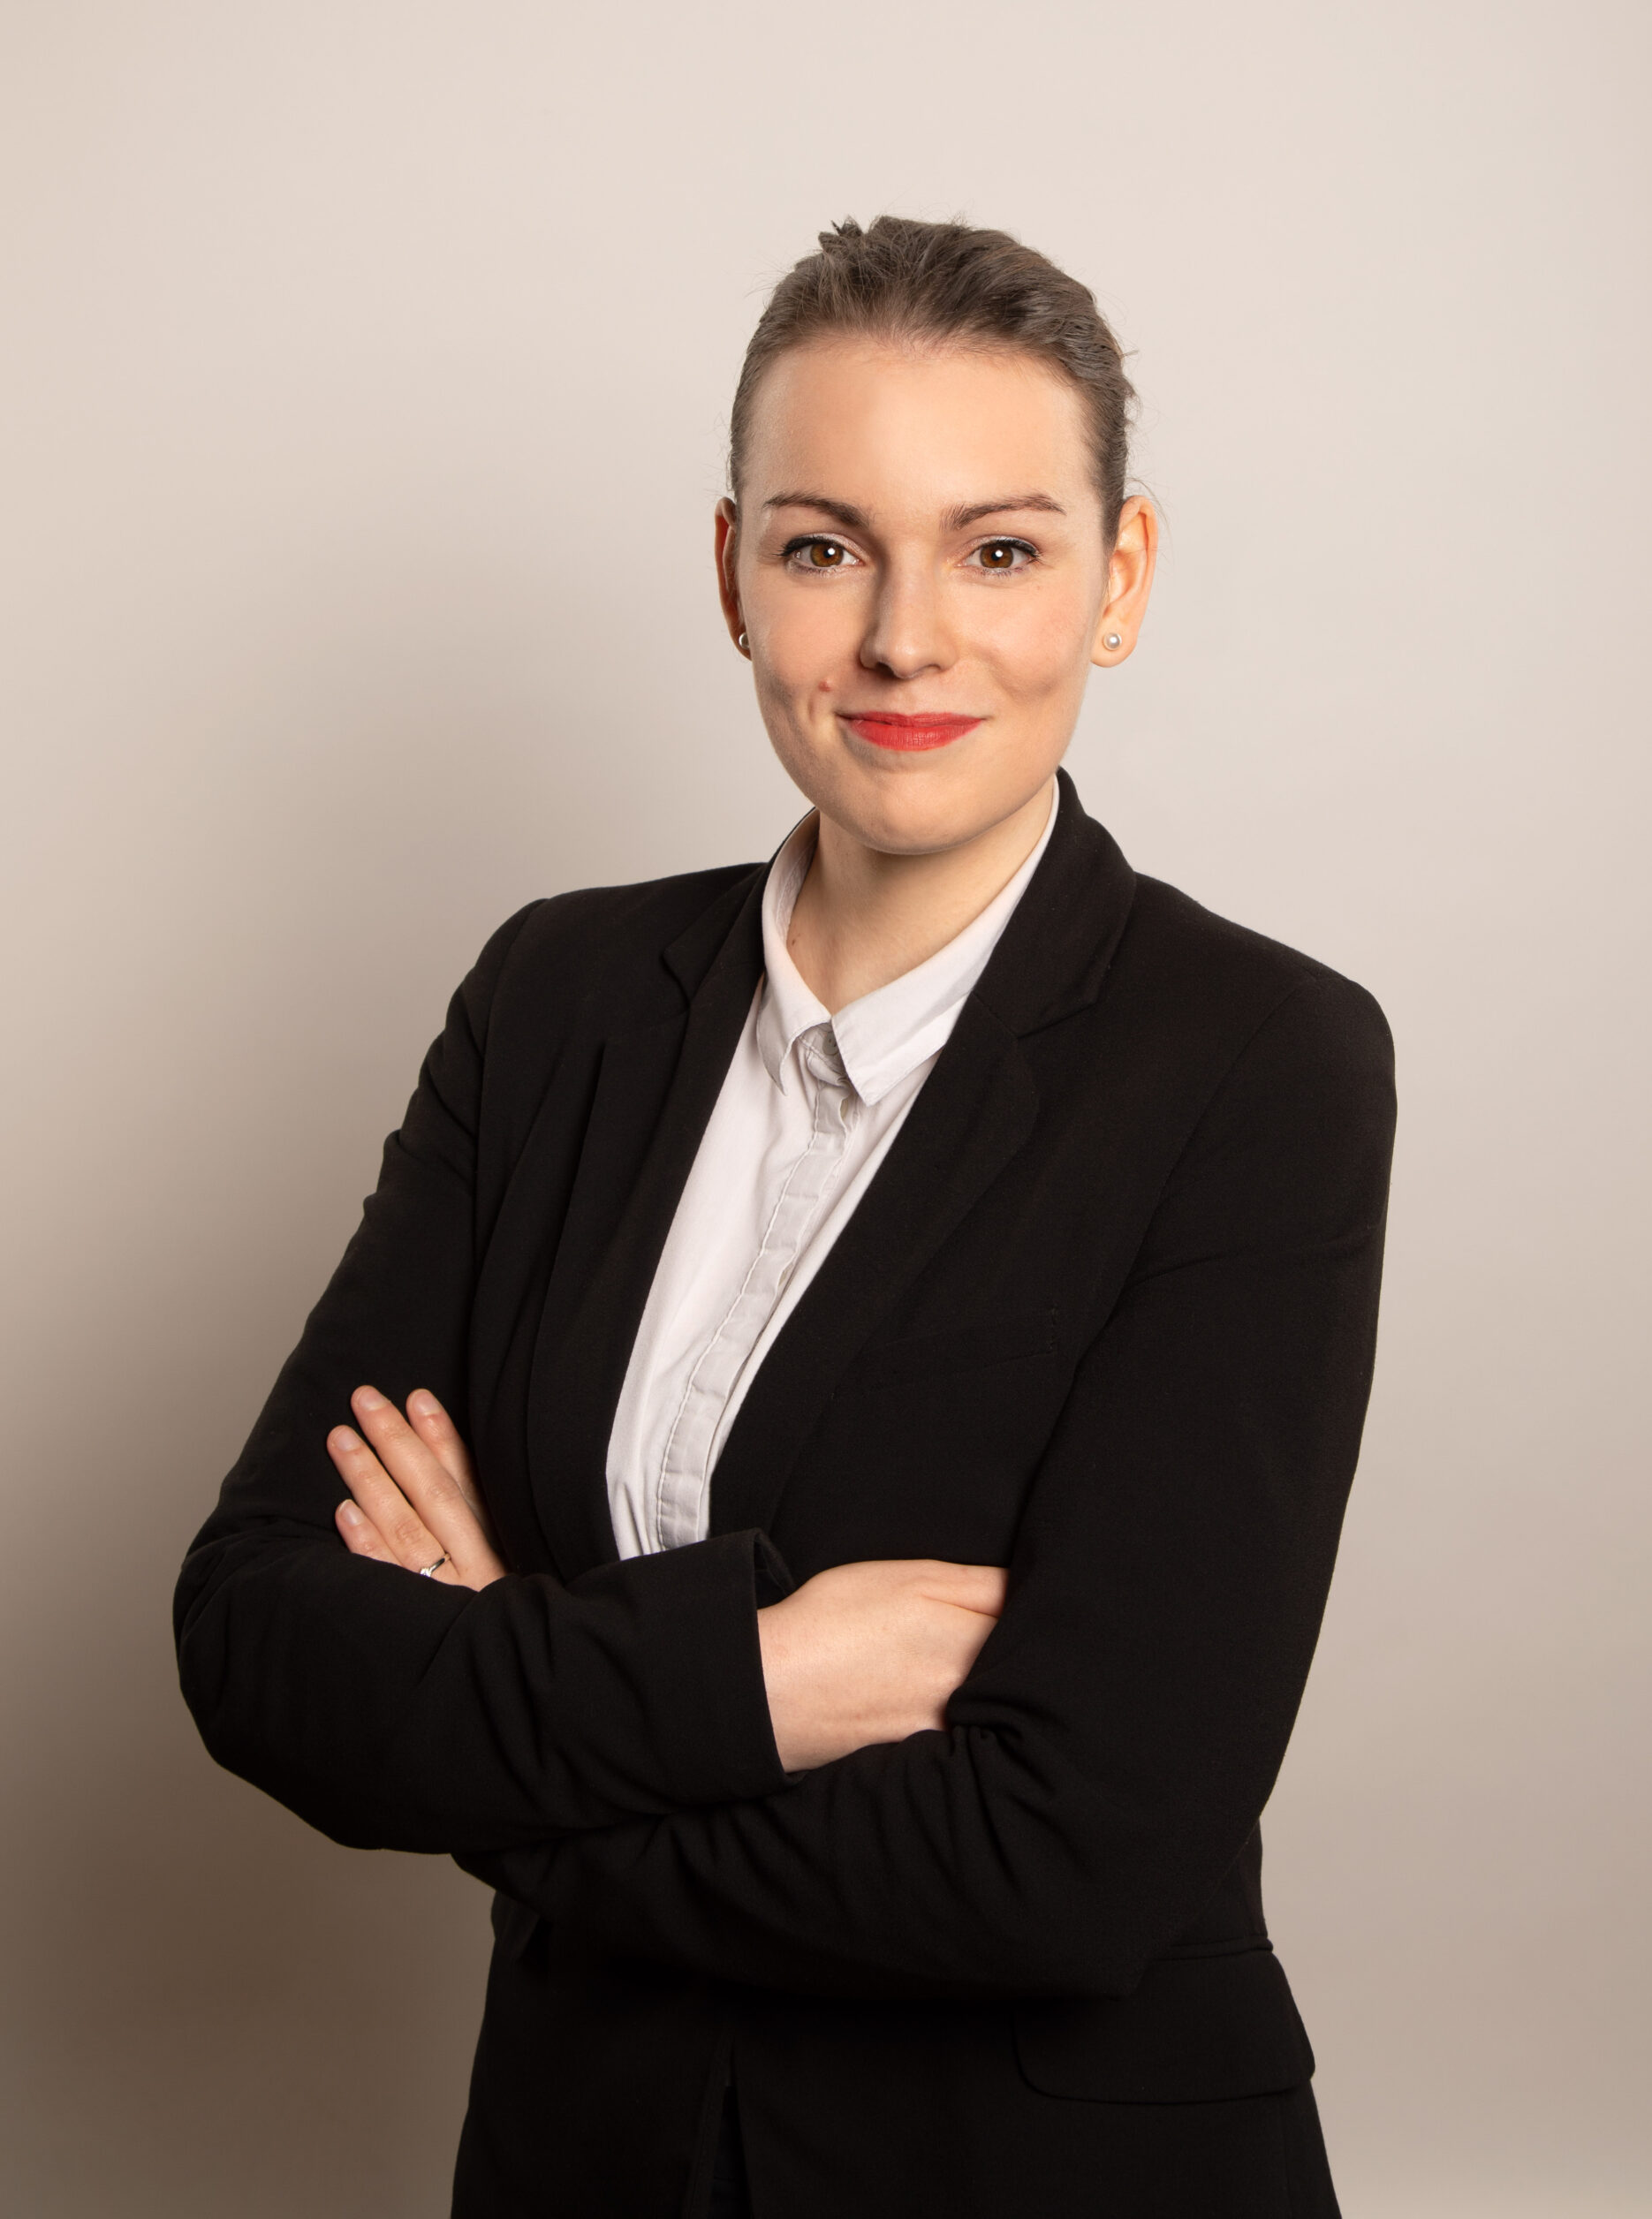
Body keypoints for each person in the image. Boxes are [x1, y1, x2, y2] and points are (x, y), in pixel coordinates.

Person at [175, 216, 1396, 2219]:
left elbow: (1067, 1859)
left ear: (1117, 581)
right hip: (585, 2163)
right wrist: (756, 1679)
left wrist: (493, 1699)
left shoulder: (1256, 1062)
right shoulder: (555, 1002)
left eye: (997, 550)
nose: (906, 638)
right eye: (827, 548)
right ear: (733, 571)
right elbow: (257, 1637)